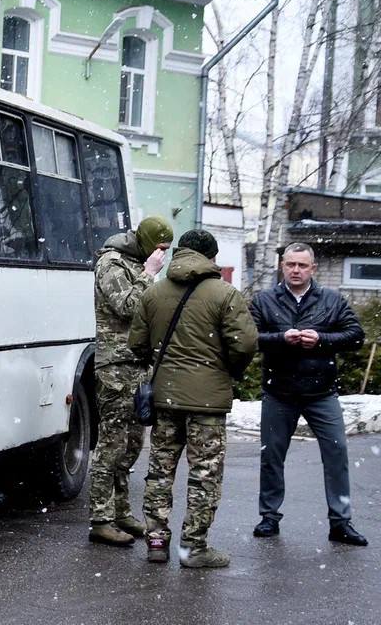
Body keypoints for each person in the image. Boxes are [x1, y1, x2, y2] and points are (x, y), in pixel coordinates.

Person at [128, 229, 257, 567]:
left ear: (180, 252)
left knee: (159, 472)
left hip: (165, 399)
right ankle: (193, 549)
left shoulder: (154, 293)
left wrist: (163, 364)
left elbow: (136, 344)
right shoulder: (225, 294)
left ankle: (156, 542)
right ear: (212, 257)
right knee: (204, 475)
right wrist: (225, 370)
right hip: (208, 404)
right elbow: (244, 344)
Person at [249, 242, 367, 546]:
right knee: (272, 456)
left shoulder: (331, 300)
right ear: (282, 266)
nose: (296, 270)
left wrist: (322, 340)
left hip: (321, 392)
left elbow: (356, 336)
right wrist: (280, 338)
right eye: (290, 265)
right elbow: (248, 337)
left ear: (313, 268)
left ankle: (340, 522)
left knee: (337, 454)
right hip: (279, 392)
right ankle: (269, 517)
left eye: (302, 265)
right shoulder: (264, 300)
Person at [87, 215, 173, 547]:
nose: (162, 256)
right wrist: (149, 274)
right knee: (110, 444)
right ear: (147, 243)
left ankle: (121, 512)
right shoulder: (111, 263)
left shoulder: (136, 262)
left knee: (132, 443)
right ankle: (100, 519)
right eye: (159, 249)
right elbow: (128, 307)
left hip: (139, 365)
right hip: (115, 367)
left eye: (167, 250)